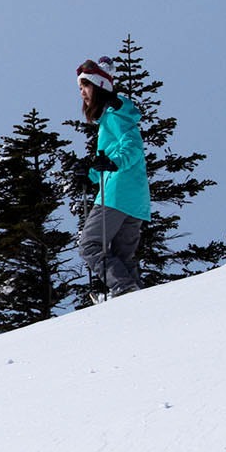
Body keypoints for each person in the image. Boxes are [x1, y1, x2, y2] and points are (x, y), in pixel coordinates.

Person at [73, 59, 150, 299]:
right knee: (123, 256)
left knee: (89, 245)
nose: (83, 93)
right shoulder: (114, 116)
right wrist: (91, 173)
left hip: (117, 195)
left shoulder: (115, 115)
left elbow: (133, 147)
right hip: (135, 200)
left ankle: (123, 288)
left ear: (98, 86)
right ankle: (133, 297)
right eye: (80, 88)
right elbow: (110, 158)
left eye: (86, 86)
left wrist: (112, 163)